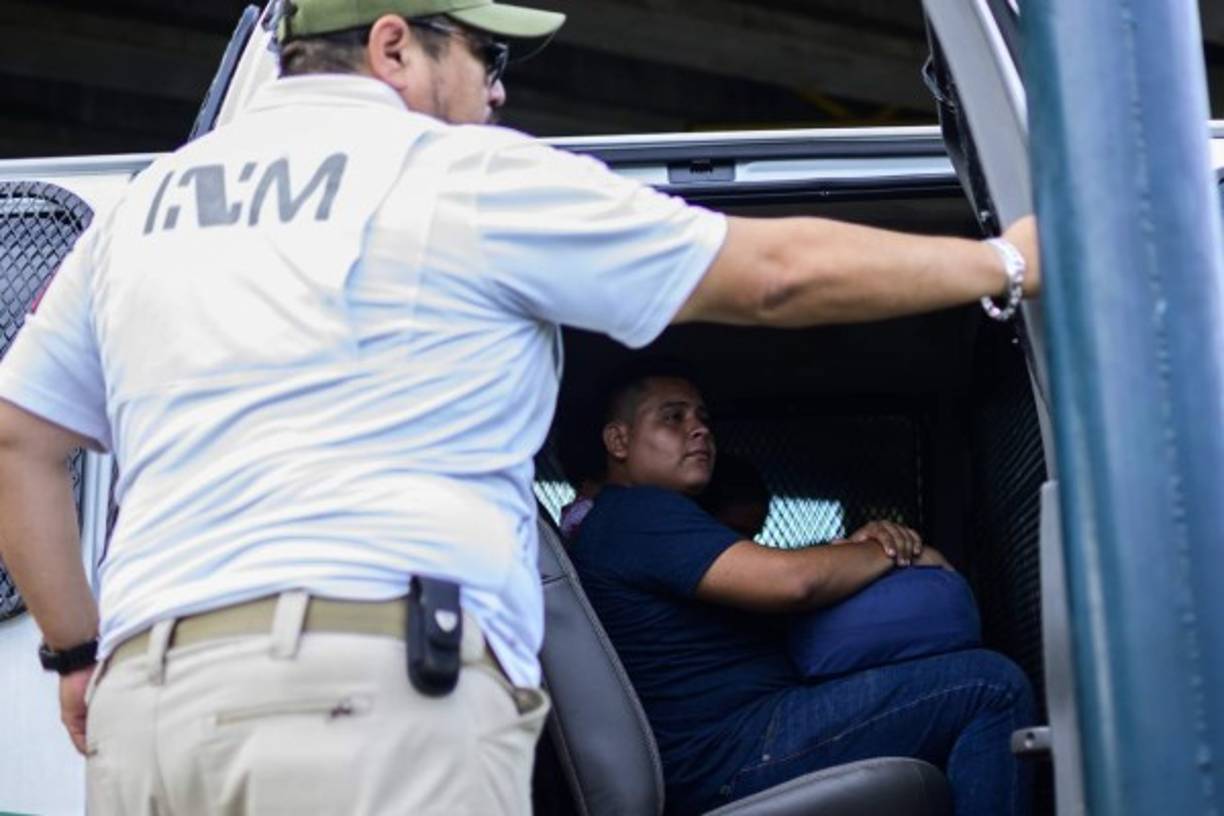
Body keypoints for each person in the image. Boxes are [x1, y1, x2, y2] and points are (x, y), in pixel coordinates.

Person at [0, 0, 1040, 810]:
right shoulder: (458, 176)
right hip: (364, 693)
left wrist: (78, 653)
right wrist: (1001, 259)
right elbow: (772, 276)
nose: (498, 95)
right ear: (396, 48)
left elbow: (18, 437)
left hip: (148, 714)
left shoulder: (145, 210)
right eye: (487, 58)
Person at [570, 368, 1034, 815]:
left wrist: (850, 549)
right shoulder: (638, 516)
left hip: (739, 738)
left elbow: (777, 573)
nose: (698, 431)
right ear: (619, 441)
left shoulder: (639, 520)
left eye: (703, 418)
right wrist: (890, 551)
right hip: (736, 750)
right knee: (991, 687)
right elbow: (794, 583)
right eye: (673, 417)